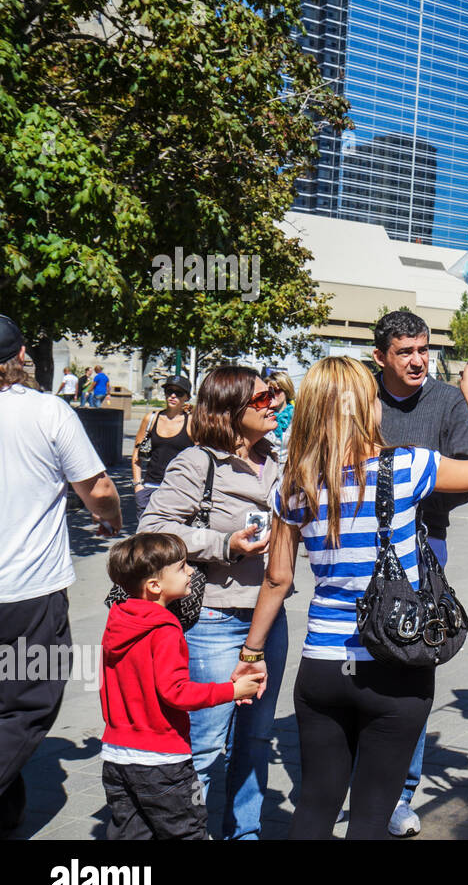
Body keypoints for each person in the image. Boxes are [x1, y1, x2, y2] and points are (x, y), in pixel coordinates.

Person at [234, 355, 468, 839]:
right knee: (372, 816)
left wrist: (252, 653)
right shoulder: (406, 467)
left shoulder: (294, 484)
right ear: (363, 408)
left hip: (323, 666)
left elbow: (277, 580)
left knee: (314, 804)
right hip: (394, 664)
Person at [138, 366, 286, 839]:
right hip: (216, 619)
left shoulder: (279, 461)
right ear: (230, 408)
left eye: (275, 397)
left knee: (255, 740)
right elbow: (153, 528)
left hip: (269, 617)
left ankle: (245, 834)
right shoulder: (197, 463)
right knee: (204, 745)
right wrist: (226, 544)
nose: (274, 405)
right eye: (262, 399)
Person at [0, 315, 122, 835]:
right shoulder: (47, 411)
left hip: (24, 588)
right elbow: (96, 488)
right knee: (29, 703)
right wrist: (111, 518)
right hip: (27, 590)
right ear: (21, 353)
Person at [370, 309, 468, 836]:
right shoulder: (360, 395)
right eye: (405, 352)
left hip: (423, 548)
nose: (418, 361)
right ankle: (359, 777)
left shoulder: (448, 400)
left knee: (412, 660)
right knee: (357, 661)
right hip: (357, 544)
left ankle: (399, 792)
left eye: (423, 349)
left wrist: (408, 484)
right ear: (381, 357)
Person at [100, 533, 265, 839]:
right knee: (187, 831)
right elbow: (175, 692)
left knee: (131, 833)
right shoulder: (164, 629)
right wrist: (232, 691)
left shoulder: (118, 621)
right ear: (154, 586)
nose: (191, 571)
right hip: (163, 763)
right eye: (181, 567)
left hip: (117, 755)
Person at [131, 375, 195, 515]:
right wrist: (137, 485)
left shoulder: (192, 423)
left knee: (172, 536)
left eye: (179, 393)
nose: (173, 395)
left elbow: (202, 458)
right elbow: (137, 453)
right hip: (150, 488)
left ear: (187, 397)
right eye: (169, 391)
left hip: (179, 491)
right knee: (146, 536)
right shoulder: (151, 418)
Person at [269, 372, 295, 445]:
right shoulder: (262, 416)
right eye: (270, 391)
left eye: (277, 390)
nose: (273, 394)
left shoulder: (297, 417)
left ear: (286, 390)